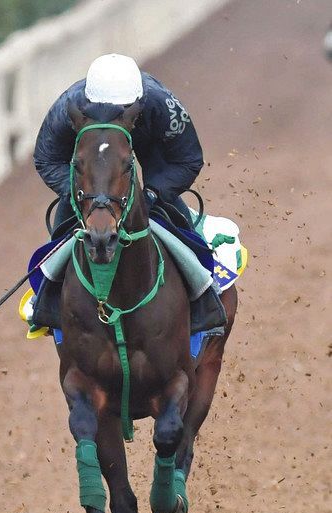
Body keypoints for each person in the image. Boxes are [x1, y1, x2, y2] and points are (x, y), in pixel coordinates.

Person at [32, 53, 225, 333]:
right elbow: (46, 158)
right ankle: (46, 301)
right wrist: (80, 195)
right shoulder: (67, 108)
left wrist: (154, 194)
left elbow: (188, 159)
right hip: (89, 166)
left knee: (179, 224)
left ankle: (205, 295)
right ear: (88, 105)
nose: (114, 117)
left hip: (150, 153)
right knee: (63, 229)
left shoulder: (161, 104)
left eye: (123, 111)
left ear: (138, 104)